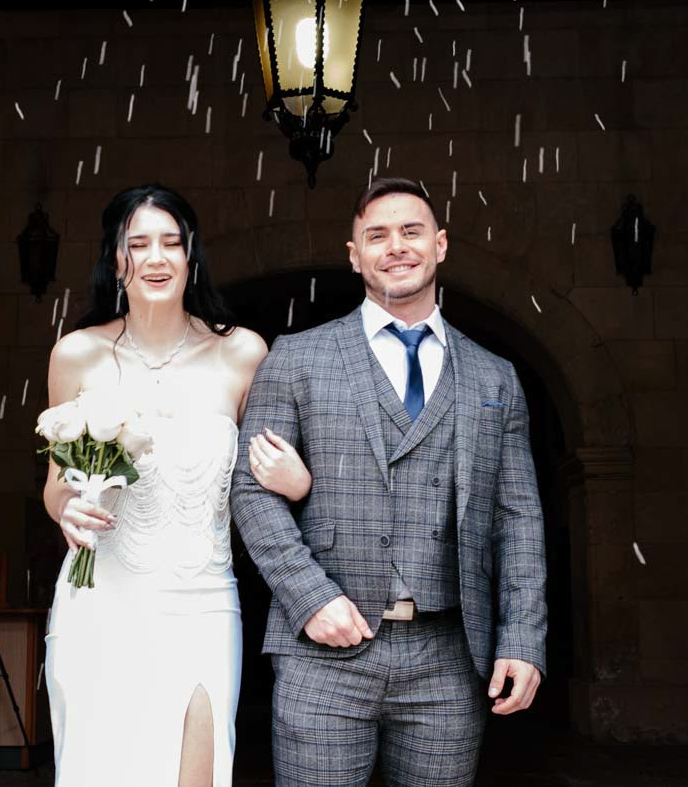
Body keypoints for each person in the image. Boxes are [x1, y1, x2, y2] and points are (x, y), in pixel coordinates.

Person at [231, 178, 548, 787]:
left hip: (448, 657)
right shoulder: (295, 358)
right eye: (376, 235)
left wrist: (524, 637)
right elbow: (251, 492)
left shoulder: (494, 377)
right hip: (322, 655)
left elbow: (519, 519)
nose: (395, 246)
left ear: (441, 244)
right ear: (354, 255)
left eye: (411, 231)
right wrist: (309, 597)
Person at [42, 184, 305, 787]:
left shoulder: (241, 352)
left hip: (202, 601)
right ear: (116, 261)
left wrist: (298, 482)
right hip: (100, 599)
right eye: (138, 244)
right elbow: (56, 484)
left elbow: (266, 475)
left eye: (170, 243)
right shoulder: (77, 354)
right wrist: (67, 511)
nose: (156, 258)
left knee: (199, 773)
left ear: (191, 257)